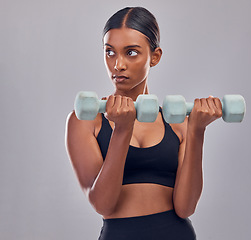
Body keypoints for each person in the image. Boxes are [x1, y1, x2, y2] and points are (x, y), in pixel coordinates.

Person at [65, 6, 222, 240]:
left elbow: (185, 208)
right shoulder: (85, 120)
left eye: (130, 52)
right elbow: (104, 205)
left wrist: (197, 131)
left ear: (155, 56)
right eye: (110, 52)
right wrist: (122, 130)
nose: (118, 64)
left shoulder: (177, 123)